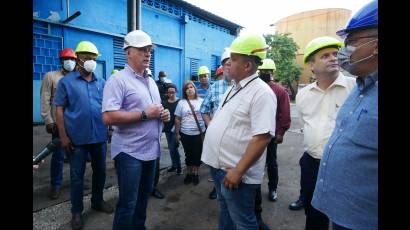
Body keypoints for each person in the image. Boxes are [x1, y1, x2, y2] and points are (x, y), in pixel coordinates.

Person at [312, 1, 378, 230]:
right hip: (340, 213)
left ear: (376, 45)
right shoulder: (362, 87)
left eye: (350, 42)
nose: (342, 52)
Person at [201, 32, 277, 229]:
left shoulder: (262, 93)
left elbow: (262, 137)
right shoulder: (234, 87)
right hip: (221, 168)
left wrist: (238, 171)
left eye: (233, 60)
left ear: (247, 66)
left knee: (244, 222)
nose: (228, 64)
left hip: (236, 174)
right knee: (226, 210)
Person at [102, 30, 170, 230]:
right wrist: (144, 114)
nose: (147, 54)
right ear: (128, 52)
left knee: (142, 199)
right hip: (130, 152)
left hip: (151, 151)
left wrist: (162, 115)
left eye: (149, 50)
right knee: (128, 203)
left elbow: (153, 110)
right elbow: (108, 116)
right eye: (142, 50)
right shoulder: (118, 80)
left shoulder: (150, 81)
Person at [295, 36, 356, 230]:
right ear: (312, 65)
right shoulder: (303, 94)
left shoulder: (355, 88)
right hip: (311, 163)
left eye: (335, 54)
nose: (333, 58)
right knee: (313, 213)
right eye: (325, 55)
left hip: (345, 167)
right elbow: (306, 124)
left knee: (345, 217)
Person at [54, 41, 114, 230]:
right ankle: (77, 211)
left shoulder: (101, 82)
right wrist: (63, 136)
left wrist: (110, 127)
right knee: (77, 176)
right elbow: (59, 110)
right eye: (87, 58)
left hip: (99, 136)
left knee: (101, 172)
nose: (91, 62)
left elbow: (107, 107)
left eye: (94, 58)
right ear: (78, 59)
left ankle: (97, 201)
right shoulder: (66, 82)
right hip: (76, 139)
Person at [255, 58, 291, 230]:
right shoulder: (253, 88)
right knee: (253, 163)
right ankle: (253, 192)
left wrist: (281, 132)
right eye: (262, 72)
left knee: (271, 163)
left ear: (272, 72)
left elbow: (285, 113)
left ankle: (272, 189)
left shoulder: (279, 91)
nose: (264, 74)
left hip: (270, 136)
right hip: (254, 135)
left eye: (267, 72)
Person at [40, 48, 77, 200]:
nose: (71, 62)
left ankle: (77, 182)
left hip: (75, 124)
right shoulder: (51, 77)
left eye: (73, 59)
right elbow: (45, 99)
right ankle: (56, 185)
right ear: (61, 61)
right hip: (58, 124)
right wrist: (48, 120)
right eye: (68, 59)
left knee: (76, 156)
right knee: (58, 156)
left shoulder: (77, 77)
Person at [199, 48, 231, 200]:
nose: (229, 67)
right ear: (221, 67)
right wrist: (210, 125)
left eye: (232, 63)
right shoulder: (215, 87)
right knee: (216, 167)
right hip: (217, 140)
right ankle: (217, 188)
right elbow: (204, 109)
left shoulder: (244, 86)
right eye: (225, 64)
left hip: (236, 141)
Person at [175, 81, 206, 186]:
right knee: (188, 155)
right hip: (185, 134)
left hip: (199, 134)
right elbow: (177, 119)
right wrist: (177, 134)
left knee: (197, 155)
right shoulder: (181, 103)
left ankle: (195, 174)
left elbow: (207, 116)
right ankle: (189, 174)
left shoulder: (202, 101)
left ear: (195, 89)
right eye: (187, 88)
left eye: (191, 87)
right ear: (185, 91)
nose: (189, 89)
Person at [163, 84, 182, 175]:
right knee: (171, 149)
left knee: (173, 148)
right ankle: (174, 165)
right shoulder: (165, 103)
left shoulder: (180, 102)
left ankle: (178, 167)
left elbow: (181, 116)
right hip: (167, 129)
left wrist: (177, 129)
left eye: (173, 92)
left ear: (176, 91)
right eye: (169, 92)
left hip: (176, 129)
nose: (171, 94)